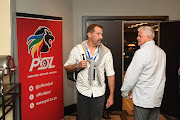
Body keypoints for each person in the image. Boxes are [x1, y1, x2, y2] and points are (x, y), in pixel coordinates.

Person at [64, 24, 115, 120]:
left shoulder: (106, 52)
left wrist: (111, 96)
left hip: (99, 92)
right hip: (83, 91)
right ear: (89, 34)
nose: (101, 37)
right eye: (98, 34)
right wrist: (77, 66)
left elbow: (110, 75)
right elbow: (66, 67)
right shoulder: (77, 50)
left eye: (101, 34)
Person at [121, 26, 166, 120]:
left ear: (148, 37)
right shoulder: (162, 53)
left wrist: (125, 92)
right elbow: (162, 77)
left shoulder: (141, 53)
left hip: (143, 99)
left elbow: (131, 76)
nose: (137, 38)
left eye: (140, 36)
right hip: (156, 98)